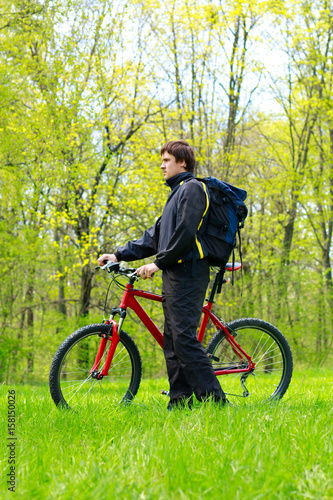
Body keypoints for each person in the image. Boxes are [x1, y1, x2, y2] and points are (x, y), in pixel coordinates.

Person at [98, 140, 225, 409]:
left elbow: (185, 234)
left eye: (166, 160)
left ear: (183, 162)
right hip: (175, 273)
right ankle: (180, 402)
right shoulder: (176, 194)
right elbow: (154, 237)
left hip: (190, 272)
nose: (161, 165)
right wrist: (119, 255)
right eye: (162, 160)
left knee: (183, 338)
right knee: (173, 341)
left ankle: (217, 402)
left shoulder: (193, 189)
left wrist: (158, 264)